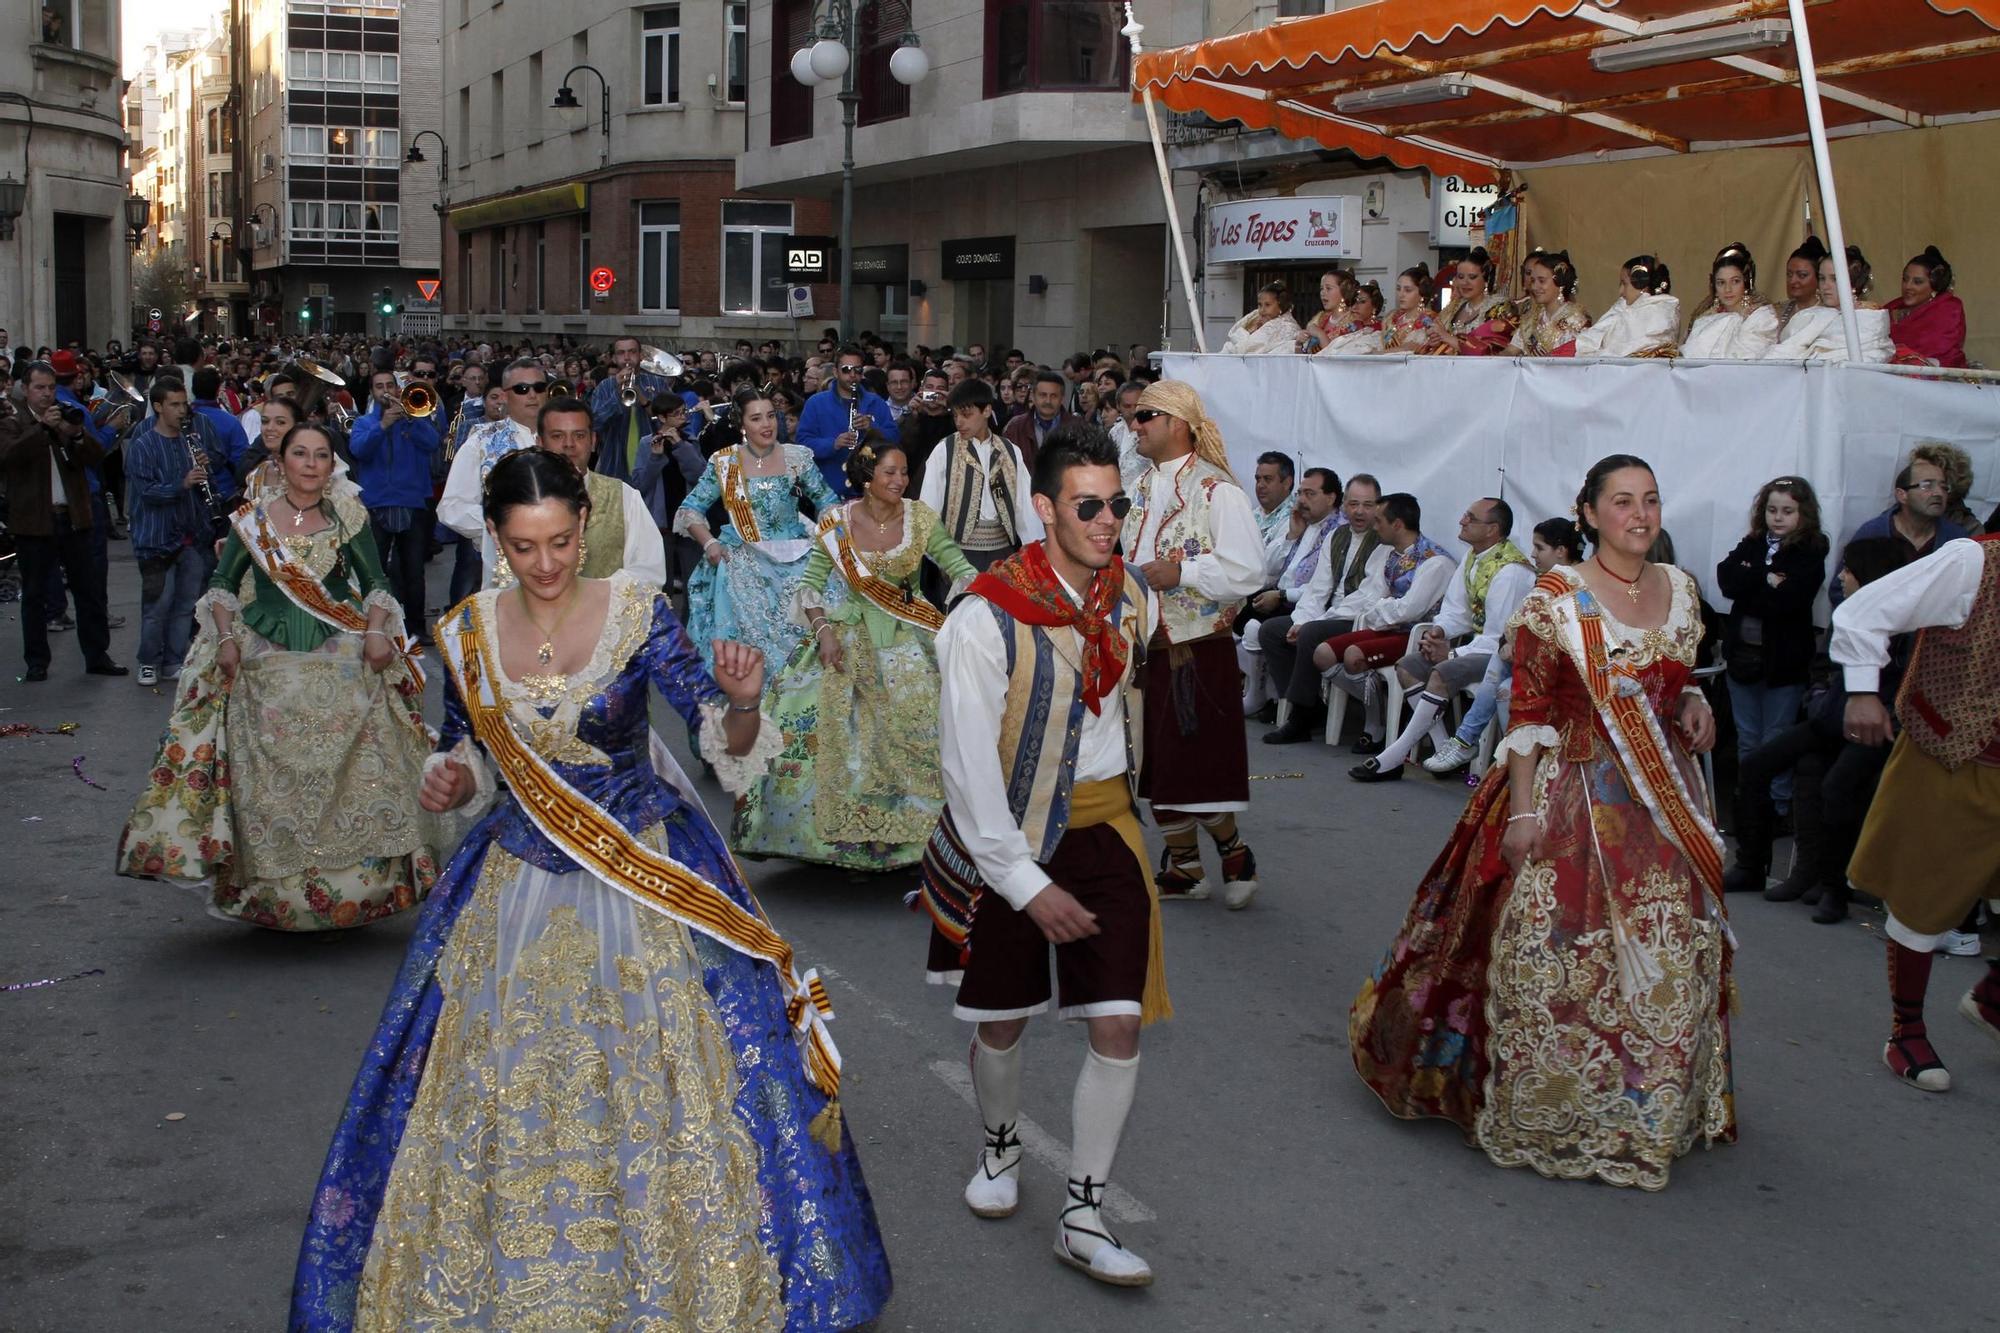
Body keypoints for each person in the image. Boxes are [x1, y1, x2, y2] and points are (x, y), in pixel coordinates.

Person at [289, 448, 891, 1328]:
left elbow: (719, 733)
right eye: (526, 545)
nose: (545, 564)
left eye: (562, 542)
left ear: (584, 528)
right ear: (496, 537)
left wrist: (747, 700)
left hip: (645, 868)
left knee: (679, 1075)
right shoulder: (462, 631)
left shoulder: (640, 614)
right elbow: (466, 749)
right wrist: (451, 778)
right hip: (515, 876)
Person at [1350, 454, 1731, 1191]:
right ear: (1589, 513)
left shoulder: (1680, 589)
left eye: (1650, 500)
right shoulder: (1556, 599)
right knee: (1559, 949)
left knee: (1667, 953)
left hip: (1659, 798)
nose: (1640, 514)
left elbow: (1675, 680)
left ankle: (1644, 1106)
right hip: (1569, 789)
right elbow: (1525, 716)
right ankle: (1555, 1099)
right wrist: (1522, 812)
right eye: (1622, 501)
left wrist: (1694, 705)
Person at [914, 422, 1165, 1288]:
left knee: (1119, 1020)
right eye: (1088, 506)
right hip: (1009, 838)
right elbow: (966, 767)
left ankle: (1084, 1210)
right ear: (1046, 508)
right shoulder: (984, 615)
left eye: (1118, 504)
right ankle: (999, 1145)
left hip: (1104, 831)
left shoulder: (1133, 598)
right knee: (1002, 1019)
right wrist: (1021, 881)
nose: (1107, 521)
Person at [115, 422, 438, 930]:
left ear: (333, 465)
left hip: (336, 646)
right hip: (265, 653)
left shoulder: (347, 518)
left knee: (358, 751)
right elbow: (222, 586)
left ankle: (357, 888)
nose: (311, 463)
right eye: (301, 454)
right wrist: (224, 639)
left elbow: (376, 582)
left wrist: (377, 632)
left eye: (321, 455)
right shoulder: (252, 522)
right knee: (267, 770)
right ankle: (276, 896)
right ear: (281, 461)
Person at [735, 441, 977, 869]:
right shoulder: (836, 522)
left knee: (926, 723)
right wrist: (824, 631)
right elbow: (811, 584)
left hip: (910, 632)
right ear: (867, 477)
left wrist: (976, 600)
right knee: (834, 730)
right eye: (889, 473)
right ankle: (850, 842)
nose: (899, 481)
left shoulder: (919, 518)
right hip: (847, 634)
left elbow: (957, 566)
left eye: (904, 472)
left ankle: (929, 842)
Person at [1832, 531, 2000, 1093]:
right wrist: (1861, 690)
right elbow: (1862, 611)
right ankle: (1906, 1031)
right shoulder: (1973, 561)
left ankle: (1993, 999)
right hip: (1953, 754)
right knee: (1923, 900)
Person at [1123, 382, 1266, 908]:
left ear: (1177, 423)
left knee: (1195, 762)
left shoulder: (1217, 490)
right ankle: (1185, 865)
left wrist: (1182, 571)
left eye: (1146, 416)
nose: (1135, 424)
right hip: (1143, 645)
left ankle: (1232, 853)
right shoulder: (1137, 487)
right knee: (1153, 761)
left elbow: (1249, 569)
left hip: (1196, 647)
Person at [1350, 497, 1534, 782]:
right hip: (1476, 646)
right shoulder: (1474, 557)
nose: (1462, 521)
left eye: (1470, 518)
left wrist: (1451, 655)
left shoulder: (1511, 571)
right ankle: (1441, 748)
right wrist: (1438, 632)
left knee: (1441, 672)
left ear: (1492, 529)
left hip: (1499, 655)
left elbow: (1500, 639)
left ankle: (1393, 757)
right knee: (1407, 667)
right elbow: (1456, 612)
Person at [675, 385, 841, 676]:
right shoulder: (724, 462)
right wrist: (710, 543)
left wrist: (826, 528)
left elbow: (827, 500)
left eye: (771, 416)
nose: (767, 424)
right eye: (756, 418)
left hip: (796, 557)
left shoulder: (796, 457)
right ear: (741, 424)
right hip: (743, 563)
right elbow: (690, 510)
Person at [1424, 517, 1584, 775]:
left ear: (1561, 551)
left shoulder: (1579, 586)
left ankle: (1474, 745)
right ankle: (1502, 761)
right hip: (1531, 665)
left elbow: (1572, 638)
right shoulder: (1545, 581)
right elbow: (1516, 625)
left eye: (1539, 547)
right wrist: (1508, 643)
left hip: (1564, 672)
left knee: (1505, 684)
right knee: (1503, 684)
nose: (1532, 554)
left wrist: (1517, 645)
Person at [0, 361, 125, 681]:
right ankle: (37, 661)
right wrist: (42, 429)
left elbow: (97, 455)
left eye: (51, 388)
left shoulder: (68, 413)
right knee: (35, 594)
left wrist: (77, 433)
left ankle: (97, 655)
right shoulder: (13, 421)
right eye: (39, 388)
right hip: (34, 521)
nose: (46, 394)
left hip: (74, 517)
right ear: (25, 389)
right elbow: (9, 456)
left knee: (89, 591)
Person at [1715, 475, 1828, 815]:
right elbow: (1726, 578)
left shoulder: (1810, 550)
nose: (1778, 517)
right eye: (1772, 510)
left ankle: (1776, 806)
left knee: (1776, 737)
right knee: (1748, 736)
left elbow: (1788, 602)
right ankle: (1750, 801)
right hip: (1743, 659)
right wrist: (1765, 579)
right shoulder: (1753, 543)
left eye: (1787, 511)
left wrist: (1750, 587)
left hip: (1783, 663)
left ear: (1803, 514)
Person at [1314, 494, 1456, 752]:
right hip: (1388, 628)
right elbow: (1376, 598)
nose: (1374, 525)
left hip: (1417, 636)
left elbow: (1408, 611)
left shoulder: (1435, 562)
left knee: (1353, 655)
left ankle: (1374, 725)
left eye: (1379, 520)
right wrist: (1381, 609)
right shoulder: (1391, 555)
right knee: (1323, 653)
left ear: (1398, 525)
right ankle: (1378, 711)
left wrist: (1380, 609)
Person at [1256, 475, 1383, 741]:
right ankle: (1307, 703)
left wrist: (1313, 623)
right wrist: (1301, 619)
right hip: (1327, 613)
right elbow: (1318, 587)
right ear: (1344, 504)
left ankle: (1299, 717)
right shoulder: (1337, 535)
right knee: (1271, 630)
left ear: (1379, 507)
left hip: (1356, 618)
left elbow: (1368, 596)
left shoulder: (1382, 540)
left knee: (1311, 634)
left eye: (1368, 505)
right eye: (1354, 504)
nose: (1360, 511)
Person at [126, 378, 225, 687]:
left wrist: (204, 472)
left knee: (185, 607)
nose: (182, 411)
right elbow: (146, 492)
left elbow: (201, 488)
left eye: (184, 404)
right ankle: (148, 661)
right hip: (156, 540)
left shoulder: (190, 441)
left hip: (192, 537)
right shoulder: (143, 446)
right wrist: (182, 483)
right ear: (158, 407)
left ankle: (173, 660)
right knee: (157, 606)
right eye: (175, 405)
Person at [1238, 467, 1343, 717]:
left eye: (1310, 494)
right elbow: (1269, 566)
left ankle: (1276, 699)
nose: (1302, 501)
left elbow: (1326, 585)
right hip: (1282, 594)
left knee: (1257, 627)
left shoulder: (1339, 532)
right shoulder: (1302, 523)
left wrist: (1284, 596)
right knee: (1235, 612)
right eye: (1300, 494)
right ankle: (1268, 694)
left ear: (1331, 498)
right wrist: (1291, 536)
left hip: (1309, 603)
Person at [532, 396, 669, 587]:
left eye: (579, 435)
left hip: (607, 613)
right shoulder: (520, 500)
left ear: (593, 440)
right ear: (540, 443)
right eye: (557, 436)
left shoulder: (623, 496)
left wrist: (593, 600)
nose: (569, 444)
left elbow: (649, 570)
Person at [347, 368, 443, 640]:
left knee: (414, 571)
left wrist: (411, 421)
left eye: (390, 385)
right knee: (374, 572)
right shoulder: (364, 423)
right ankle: (374, 626)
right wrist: (383, 426)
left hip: (411, 503)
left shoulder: (414, 418)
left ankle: (416, 627)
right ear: (373, 392)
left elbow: (433, 443)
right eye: (380, 387)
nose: (386, 390)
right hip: (376, 504)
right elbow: (358, 450)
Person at [438, 358, 548, 581]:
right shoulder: (482, 440)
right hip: (506, 571)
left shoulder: (564, 437)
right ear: (505, 396)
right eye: (522, 389)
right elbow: (451, 507)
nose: (532, 395)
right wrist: (502, 525)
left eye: (539, 387)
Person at [918, 378, 1042, 572]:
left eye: (966, 415)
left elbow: (1024, 507)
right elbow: (928, 509)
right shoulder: (945, 450)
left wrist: (1035, 551)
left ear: (986, 411)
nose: (959, 422)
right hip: (957, 554)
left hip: (1002, 552)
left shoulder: (1010, 451)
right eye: (955, 415)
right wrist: (942, 557)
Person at [589, 334, 675, 531]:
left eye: (632, 352)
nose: (627, 358)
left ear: (641, 356)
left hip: (652, 465)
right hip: (614, 464)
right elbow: (596, 423)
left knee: (649, 528)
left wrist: (643, 397)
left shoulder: (658, 383)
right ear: (614, 358)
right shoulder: (604, 387)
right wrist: (617, 395)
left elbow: (670, 420)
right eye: (621, 353)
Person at [797, 343, 900, 498]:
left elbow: (895, 440)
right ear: (835, 372)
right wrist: (833, 444)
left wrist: (873, 428)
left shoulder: (876, 402)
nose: (852, 375)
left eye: (857, 370)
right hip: (829, 494)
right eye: (846, 369)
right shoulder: (816, 403)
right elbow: (802, 445)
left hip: (869, 493)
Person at [1763, 252, 1894, 362]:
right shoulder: (1809, 315)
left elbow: (1870, 357)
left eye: (1835, 279)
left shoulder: (1868, 319)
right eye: (1822, 278)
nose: (1825, 285)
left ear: (1854, 283)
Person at [1680, 244, 1780, 360]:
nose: (1728, 289)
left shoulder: (1761, 317)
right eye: (1721, 283)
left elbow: (1751, 357)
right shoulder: (1704, 320)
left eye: (1735, 281)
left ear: (1745, 283)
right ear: (1714, 286)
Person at [1573, 255, 1679, 357]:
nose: (1621, 291)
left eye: (1624, 283)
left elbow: (1623, 355)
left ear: (1641, 284)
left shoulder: (1658, 313)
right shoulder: (1623, 309)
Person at [1882, 245, 1968, 368]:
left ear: (1935, 285)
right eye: (1905, 279)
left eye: (1917, 282)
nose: (1908, 286)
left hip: (1937, 379)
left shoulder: (1947, 309)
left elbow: (1941, 353)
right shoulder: (1891, 308)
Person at [1428, 249, 1517, 356]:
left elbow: (1491, 351)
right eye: (1461, 277)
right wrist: (1436, 342)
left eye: (1472, 277)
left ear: (1485, 280)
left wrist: (1446, 337)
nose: (1465, 283)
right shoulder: (1452, 308)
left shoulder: (1501, 308)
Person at [1503, 250, 1591, 356]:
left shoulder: (1576, 320)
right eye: (1533, 281)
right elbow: (1511, 351)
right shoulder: (1531, 320)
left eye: (1541, 281)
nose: (1534, 287)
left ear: (1559, 282)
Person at [1002, 370, 1078, 473]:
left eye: (1054, 396)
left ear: (1062, 398)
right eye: (1043, 395)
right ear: (1033, 396)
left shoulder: (1078, 428)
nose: (1048, 401)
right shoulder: (1015, 428)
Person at [1220, 281, 1302, 355]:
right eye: (1259, 304)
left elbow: (1244, 349)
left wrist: (1249, 332)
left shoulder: (1284, 326)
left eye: (1267, 305)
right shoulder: (1260, 320)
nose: (1262, 310)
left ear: (1280, 305)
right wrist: (1252, 329)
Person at [1771, 236, 1830, 338]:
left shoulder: (1830, 313)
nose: (1793, 281)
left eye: (1802, 275)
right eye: (1789, 275)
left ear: (1819, 278)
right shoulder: (1777, 311)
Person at [1381, 265, 1443, 352]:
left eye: (1408, 290)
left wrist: (1379, 353)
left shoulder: (1430, 319)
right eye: (1398, 289)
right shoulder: (1391, 318)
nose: (1401, 294)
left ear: (1422, 292)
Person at [1294, 269, 1356, 353]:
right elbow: (1303, 359)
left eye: (1328, 288)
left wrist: (1320, 334)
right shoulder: (1320, 318)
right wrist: (1299, 344)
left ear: (1344, 291)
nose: (1322, 293)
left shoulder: (1354, 322)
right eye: (1321, 288)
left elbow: (1332, 357)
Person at [1317, 283, 1385, 355]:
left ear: (1375, 306)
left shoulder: (1383, 329)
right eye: (1353, 302)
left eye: (1362, 302)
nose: (1354, 307)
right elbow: (1329, 350)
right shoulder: (1347, 326)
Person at [1248, 450, 1296, 545]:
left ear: (1287, 483)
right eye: (1258, 479)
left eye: (1267, 479)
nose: (1260, 485)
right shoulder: (1252, 514)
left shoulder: (1295, 518)